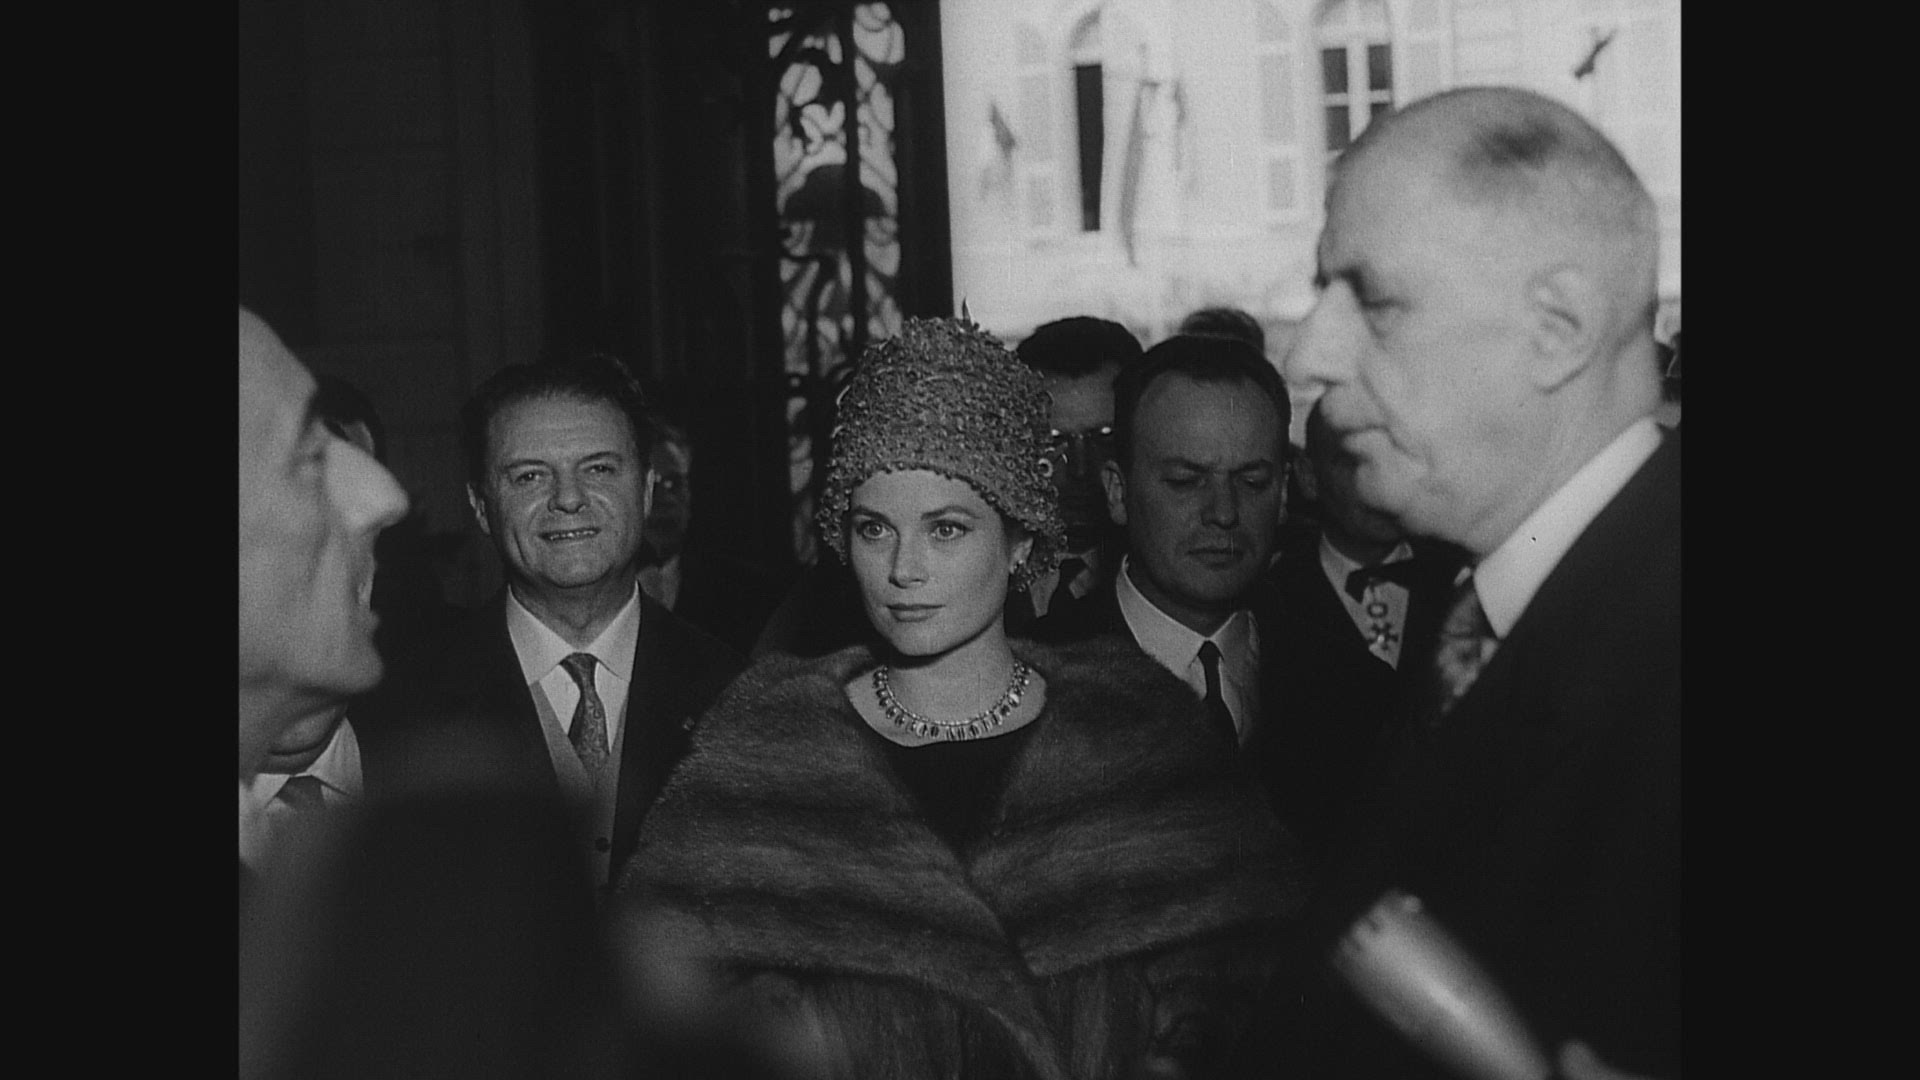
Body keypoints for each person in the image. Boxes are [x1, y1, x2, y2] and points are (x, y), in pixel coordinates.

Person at [616, 316, 1310, 1079]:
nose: (903, 569)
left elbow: (1249, 986)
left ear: (1021, 541)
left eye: (946, 529)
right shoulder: (762, 758)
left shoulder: (1141, 740)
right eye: (873, 529)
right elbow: (658, 1017)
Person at [1286, 86, 1680, 1079]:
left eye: (1376, 302)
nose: (1309, 355)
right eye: (1322, 294)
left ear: (1559, 327)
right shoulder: (1478, 613)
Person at [357, 353, 744, 897]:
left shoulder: (739, 697)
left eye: (599, 469)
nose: (568, 499)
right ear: (481, 506)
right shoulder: (399, 711)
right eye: (530, 476)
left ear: (646, 490)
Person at [1033, 333, 1292, 763]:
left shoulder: (1352, 683)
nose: (1224, 512)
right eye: (1185, 482)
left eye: (1252, 482)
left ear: (1283, 494)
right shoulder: (1031, 683)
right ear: (1118, 493)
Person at [1264, 402, 1467, 867]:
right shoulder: (1271, 600)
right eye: (1352, 461)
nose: (1379, 484)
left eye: (1393, 459)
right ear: (1308, 476)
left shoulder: (1464, 584)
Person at [1006, 315, 1142, 631]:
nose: (1080, 469)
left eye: (1105, 438)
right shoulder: (985, 572)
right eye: (1053, 441)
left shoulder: (1166, 582)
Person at [635, 405, 791, 654]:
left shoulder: (742, 592)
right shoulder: (596, 586)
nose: (665, 499)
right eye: (652, 485)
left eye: (674, 483)